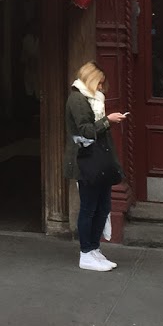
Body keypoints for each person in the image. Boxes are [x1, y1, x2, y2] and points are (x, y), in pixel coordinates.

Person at [64, 61, 128, 272]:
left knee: (103, 207)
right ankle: (86, 252)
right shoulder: (77, 99)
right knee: (89, 207)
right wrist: (108, 121)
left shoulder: (94, 100)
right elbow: (85, 130)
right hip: (86, 160)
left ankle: (94, 249)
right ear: (91, 79)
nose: (102, 87)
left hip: (97, 159)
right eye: (100, 83)